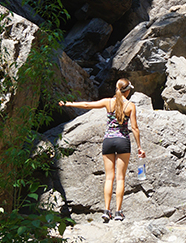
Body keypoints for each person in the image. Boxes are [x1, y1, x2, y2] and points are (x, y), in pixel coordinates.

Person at [59, 79, 145, 222]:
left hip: (108, 141)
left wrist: (68, 103)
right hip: (123, 142)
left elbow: (87, 105)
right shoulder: (131, 106)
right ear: (128, 91)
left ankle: (106, 211)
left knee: (109, 178)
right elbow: (135, 128)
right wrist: (140, 147)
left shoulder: (108, 102)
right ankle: (118, 212)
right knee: (120, 178)